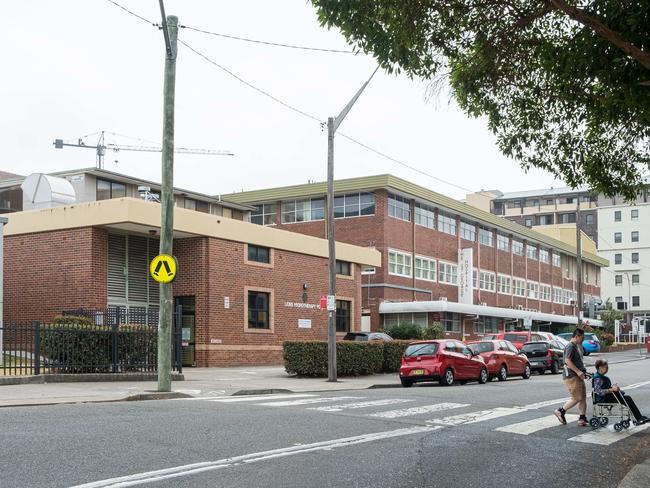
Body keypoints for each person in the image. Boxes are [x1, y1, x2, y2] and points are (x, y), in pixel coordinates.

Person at [593, 358, 648, 424]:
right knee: (627, 399)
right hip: (604, 399)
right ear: (600, 368)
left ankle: (639, 417)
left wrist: (613, 388)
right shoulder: (598, 378)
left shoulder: (600, 377)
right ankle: (638, 418)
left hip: (607, 396)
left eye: (607, 367)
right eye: (605, 367)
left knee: (627, 398)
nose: (607, 369)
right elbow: (598, 391)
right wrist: (612, 389)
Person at [555, 328, 589, 426]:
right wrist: (578, 371)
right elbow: (567, 361)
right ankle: (560, 411)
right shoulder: (570, 346)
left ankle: (582, 418)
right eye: (582, 338)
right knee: (577, 398)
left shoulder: (576, 346)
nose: (582, 340)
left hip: (577, 376)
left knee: (582, 398)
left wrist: (583, 372)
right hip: (572, 376)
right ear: (576, 336)